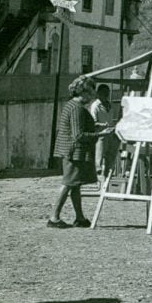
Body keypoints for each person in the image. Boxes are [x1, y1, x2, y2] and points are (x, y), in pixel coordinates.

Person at [48, 75, 113, 228]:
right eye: (90, 93)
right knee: (68, 183)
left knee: (74, 184)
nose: (92, 97)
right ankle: (54, 217)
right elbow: (78, 135)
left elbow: (78, 128)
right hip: (73, 151)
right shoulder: (77, 108)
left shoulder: (72, 105)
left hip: (72, 150)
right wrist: (101, 134)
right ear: (82, 92)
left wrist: (96, 125)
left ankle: (79, 217)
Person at [89, 84, 118, 185]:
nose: (105, 95)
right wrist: (102, 125)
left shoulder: (110, 105)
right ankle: (98, 183)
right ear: (98, 93)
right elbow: (93, 122)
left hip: (110, 135)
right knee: (99, 161)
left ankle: (106, 182)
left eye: (107, 93)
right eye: (103, 93)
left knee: (110, 160)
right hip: (100, 136)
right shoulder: (95, 105)